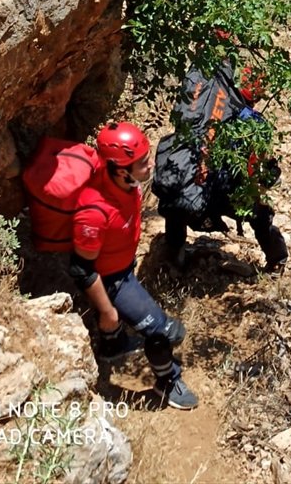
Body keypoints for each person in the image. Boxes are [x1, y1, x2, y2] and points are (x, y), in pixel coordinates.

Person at [70, 121, 198, 410]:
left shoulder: (128, 184)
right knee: (164, 333)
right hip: (113, 279)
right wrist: (107, 311)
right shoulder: (93, 212)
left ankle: (112, 346)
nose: (151, 164)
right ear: (119, 169)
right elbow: (81, 268)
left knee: (147, 327)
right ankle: (167, 382)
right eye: (142, 162)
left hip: (124, 267)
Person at [154, 64, 288, 275]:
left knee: (178, 203)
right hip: (229, 194)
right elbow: (259, 173)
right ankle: (277, 259)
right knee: (261, 214)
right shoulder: (256, 124)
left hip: (197, 190)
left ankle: (174, 255)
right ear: (258, 96)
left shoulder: (204, 106)